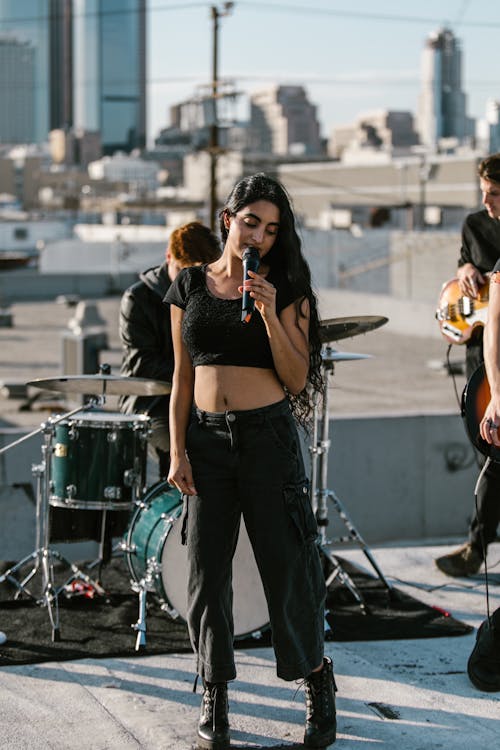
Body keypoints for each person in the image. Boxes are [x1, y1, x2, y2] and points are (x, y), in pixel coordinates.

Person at [165, 173, 337, 750]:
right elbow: (180, 377)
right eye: (250, 222)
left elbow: (293, 379)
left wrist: (267, 314)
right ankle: (214, 690)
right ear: (227, 219)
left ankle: (315, 677)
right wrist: (178, 447)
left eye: (271, 227)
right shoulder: (188, 285)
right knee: (206, 573)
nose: (259, 235)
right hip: (207, 444)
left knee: (288, 567)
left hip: (267, 438)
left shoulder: (286, 286)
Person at [435, 153, 500, 577]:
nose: (488, 202)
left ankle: (477, 546)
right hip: (480, 351)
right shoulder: (476, 224)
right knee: (487, 455)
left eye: (495, 194)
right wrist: (465, 269)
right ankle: (478, 544)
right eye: (484, 193)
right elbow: (465, 264)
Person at [119, 221, 221, 480]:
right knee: (186, 445)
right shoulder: (137, 299)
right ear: (168, 257)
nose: (190, 283)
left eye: (199, 274)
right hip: (151, 403)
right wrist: (199, 373)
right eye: (183, 272)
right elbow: (142, 363)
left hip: (199, 399)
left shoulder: (210, 293)